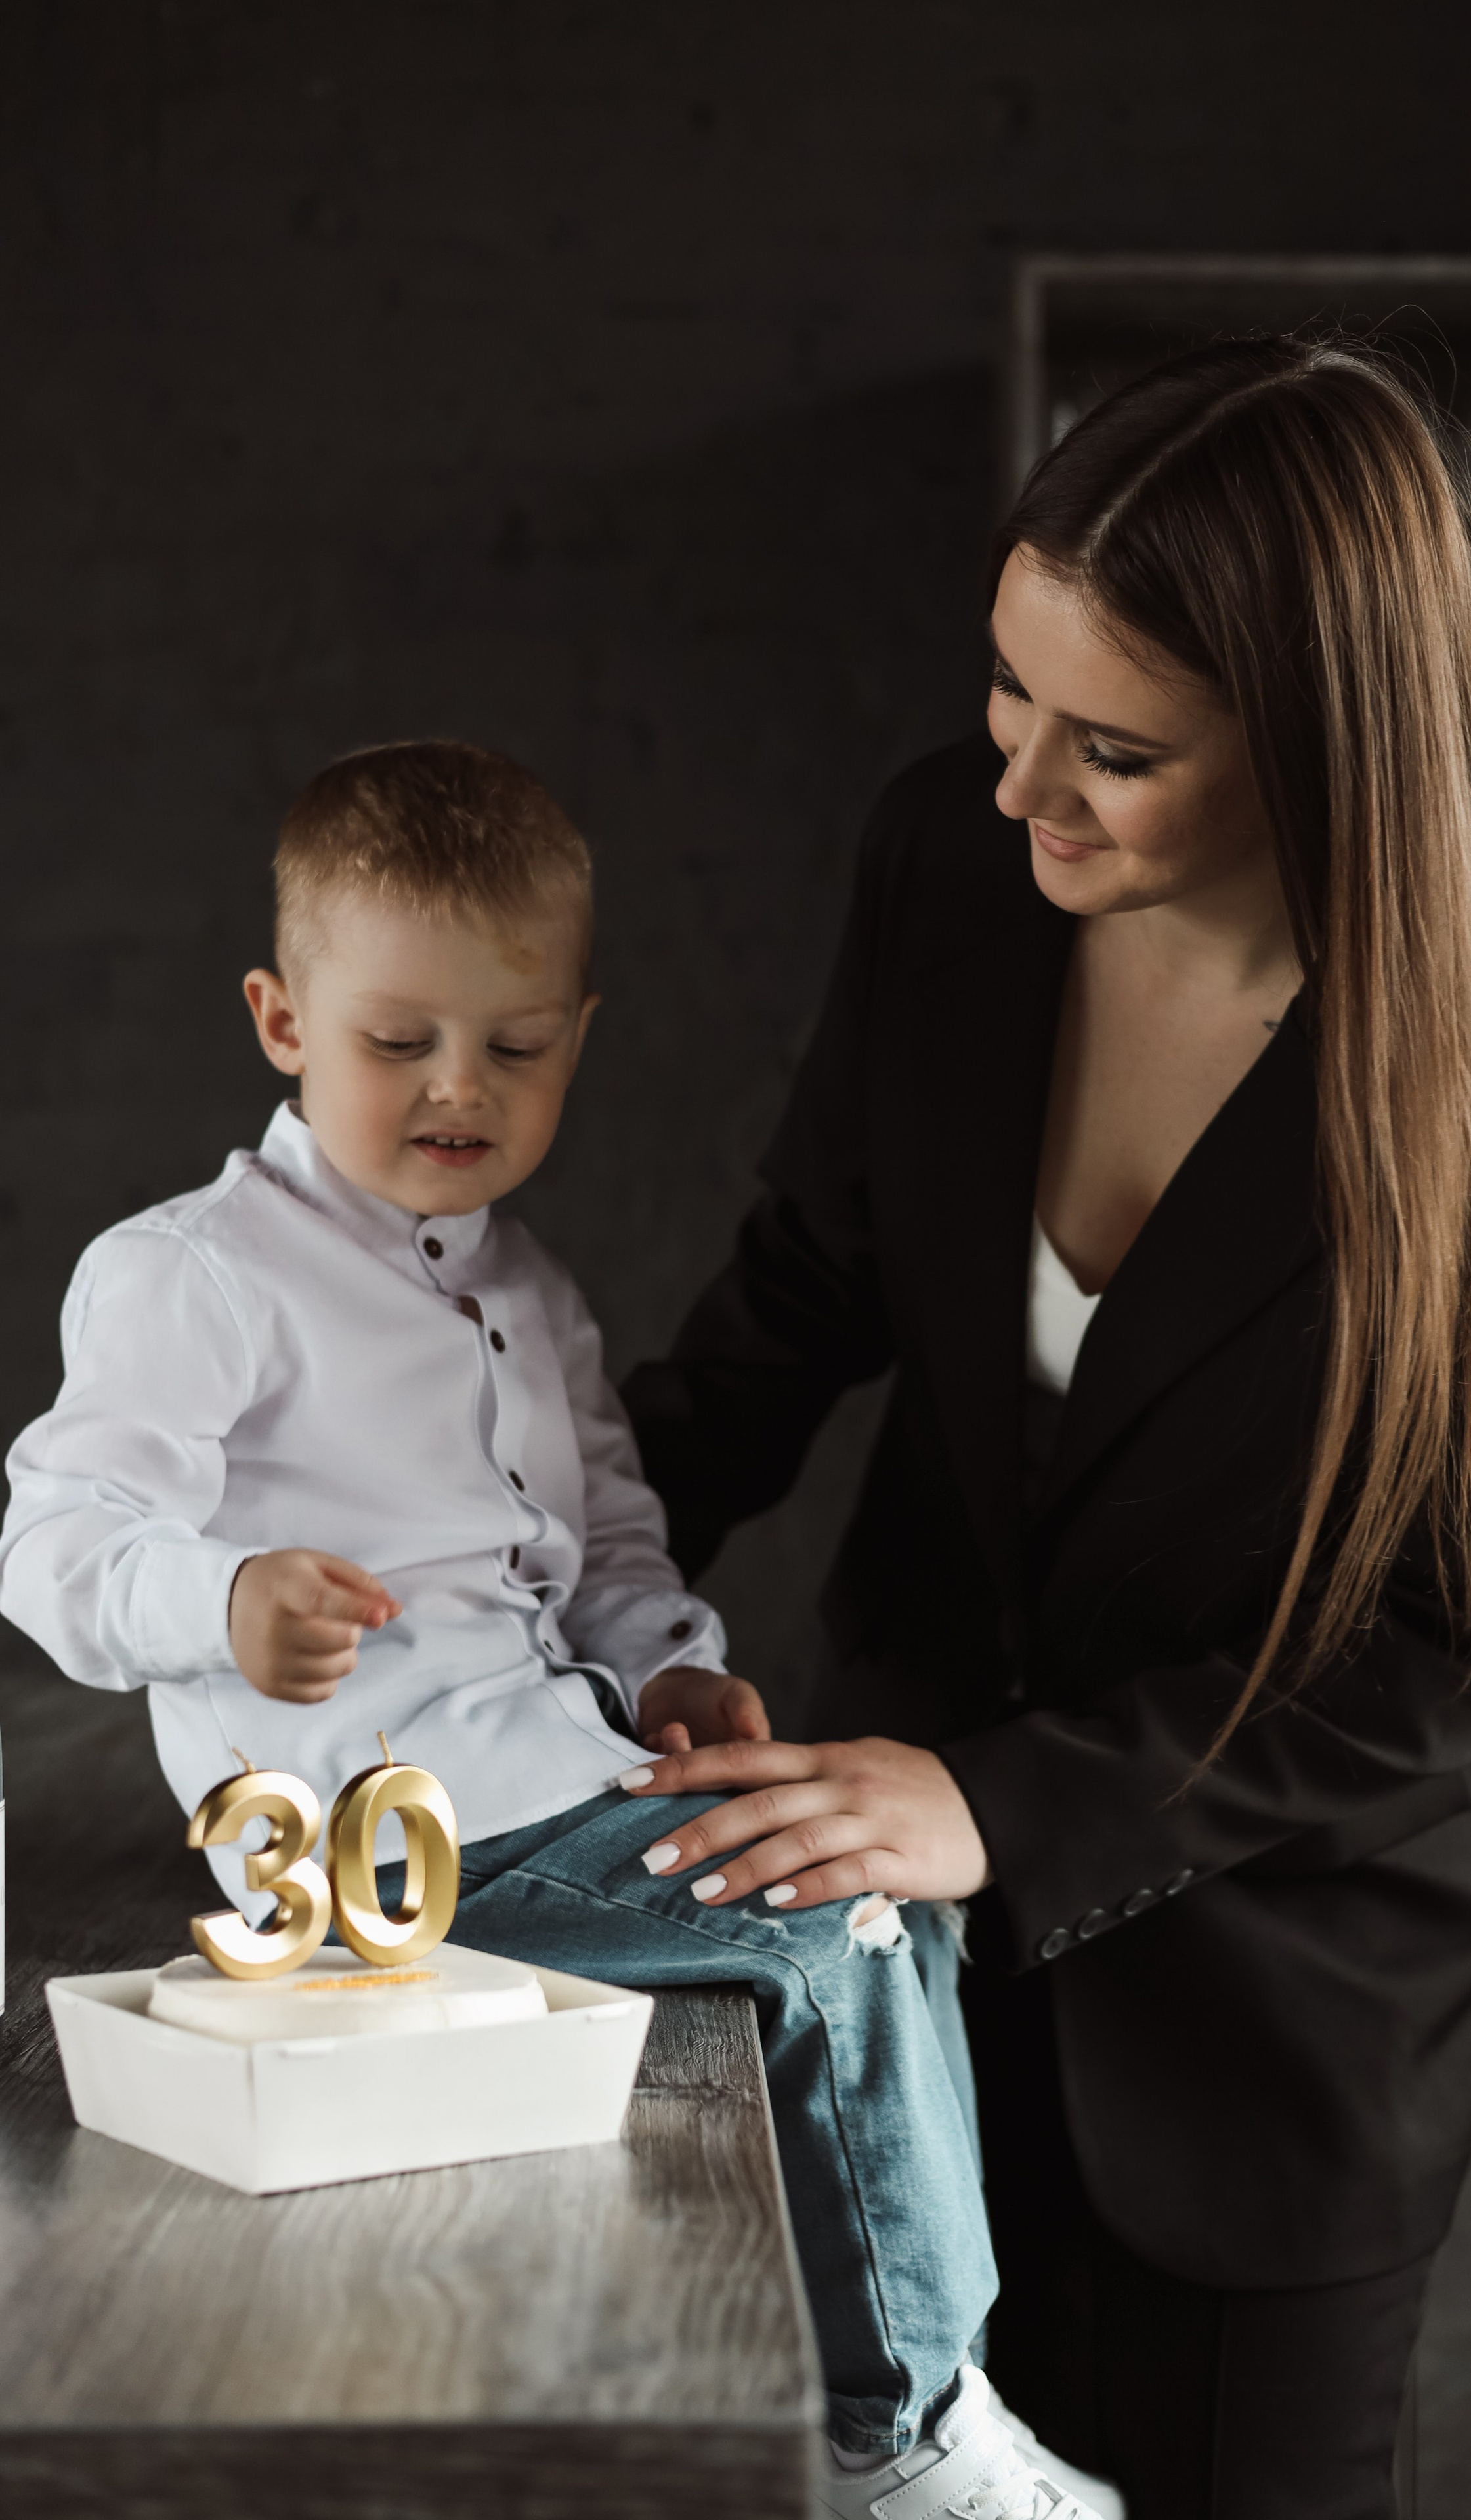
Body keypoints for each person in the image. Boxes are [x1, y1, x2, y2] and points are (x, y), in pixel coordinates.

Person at [618, 334, 1471, 2520]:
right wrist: (522, 1550)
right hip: (888, 1946)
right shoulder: (950, 857)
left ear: (1326, 748)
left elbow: (1462, 1652)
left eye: (1113, 750)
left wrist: (1003, 1805)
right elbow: (805, 1290)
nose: (1019, 788)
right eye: (1009, 693)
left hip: (1284, 2026)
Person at [0, 740, 1114, 2520]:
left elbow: (604, 1536)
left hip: (561, 1791)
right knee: (842, 1922)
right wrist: (219, 1598)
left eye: (515, 1048)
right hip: (370, 1856)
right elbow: (51, 1541)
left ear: (576, 1039)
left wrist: (669, 1656)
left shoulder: (530, 1289)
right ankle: (905, 2447)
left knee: (883, 1888)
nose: (460, 1087)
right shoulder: (189, 1274)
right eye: (398, 1042)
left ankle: (880, 2405)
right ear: (282, 1021)